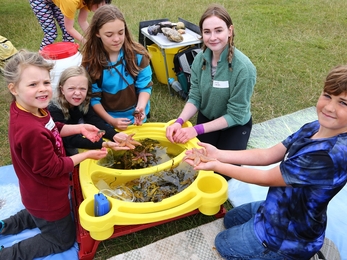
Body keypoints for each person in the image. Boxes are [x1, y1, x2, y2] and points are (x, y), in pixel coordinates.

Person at [184, 65, 347, 259]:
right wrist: (218, 154)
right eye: (327, 96)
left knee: (223, 243)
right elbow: (268, 155)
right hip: (279, 206)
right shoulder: (315, 126)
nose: (329, 107)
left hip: (287, 236)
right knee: (230, 219)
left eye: (343, 103)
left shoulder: (328, 156)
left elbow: (265, 177)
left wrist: (216, 165)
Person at [0, 50, 109, 259]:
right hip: (48, 196)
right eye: (33, 85)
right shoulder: (30, 130)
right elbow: (54, 168)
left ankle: (6, 225)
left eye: (45, 83)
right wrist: (86, 156)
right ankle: (9, 254)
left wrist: (79, 128)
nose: (42, 90)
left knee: (37, 214)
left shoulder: (32, 108)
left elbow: (52, 126)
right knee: (62, 239)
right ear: (13, 89)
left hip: (35, 194)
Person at [166, 4, 256, 158]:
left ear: (230, 31)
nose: (212, 37)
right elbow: (195, 96)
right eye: (207, 32)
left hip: (235, 123)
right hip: (207, 117)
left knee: (223, 170)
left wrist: (196, 130)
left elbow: (236, 114)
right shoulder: (199, 60)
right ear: (201, 34)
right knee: (198, 161)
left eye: (218, 30)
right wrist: (178, 121)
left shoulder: (244, 69)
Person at [81, 5, 153, 130]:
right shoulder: (91, 62)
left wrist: (140, 108)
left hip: (138, 119)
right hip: (108, 120)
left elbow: (145, 86)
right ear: (97, 33)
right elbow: (93, 98)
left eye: (121, 32)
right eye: (109, 35)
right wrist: (111, 120)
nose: (117, 39)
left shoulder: (139, 55)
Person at [48, 65, 129, 155]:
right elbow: (70, 139)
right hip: (61, 154)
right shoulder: (54, 109)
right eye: (71, 88)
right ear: (62, 89)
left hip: (78, 147)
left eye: (82, 89)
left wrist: (113, 135)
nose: (77, 93)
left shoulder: (83, 102)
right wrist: (103, 144)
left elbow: (94, 121)